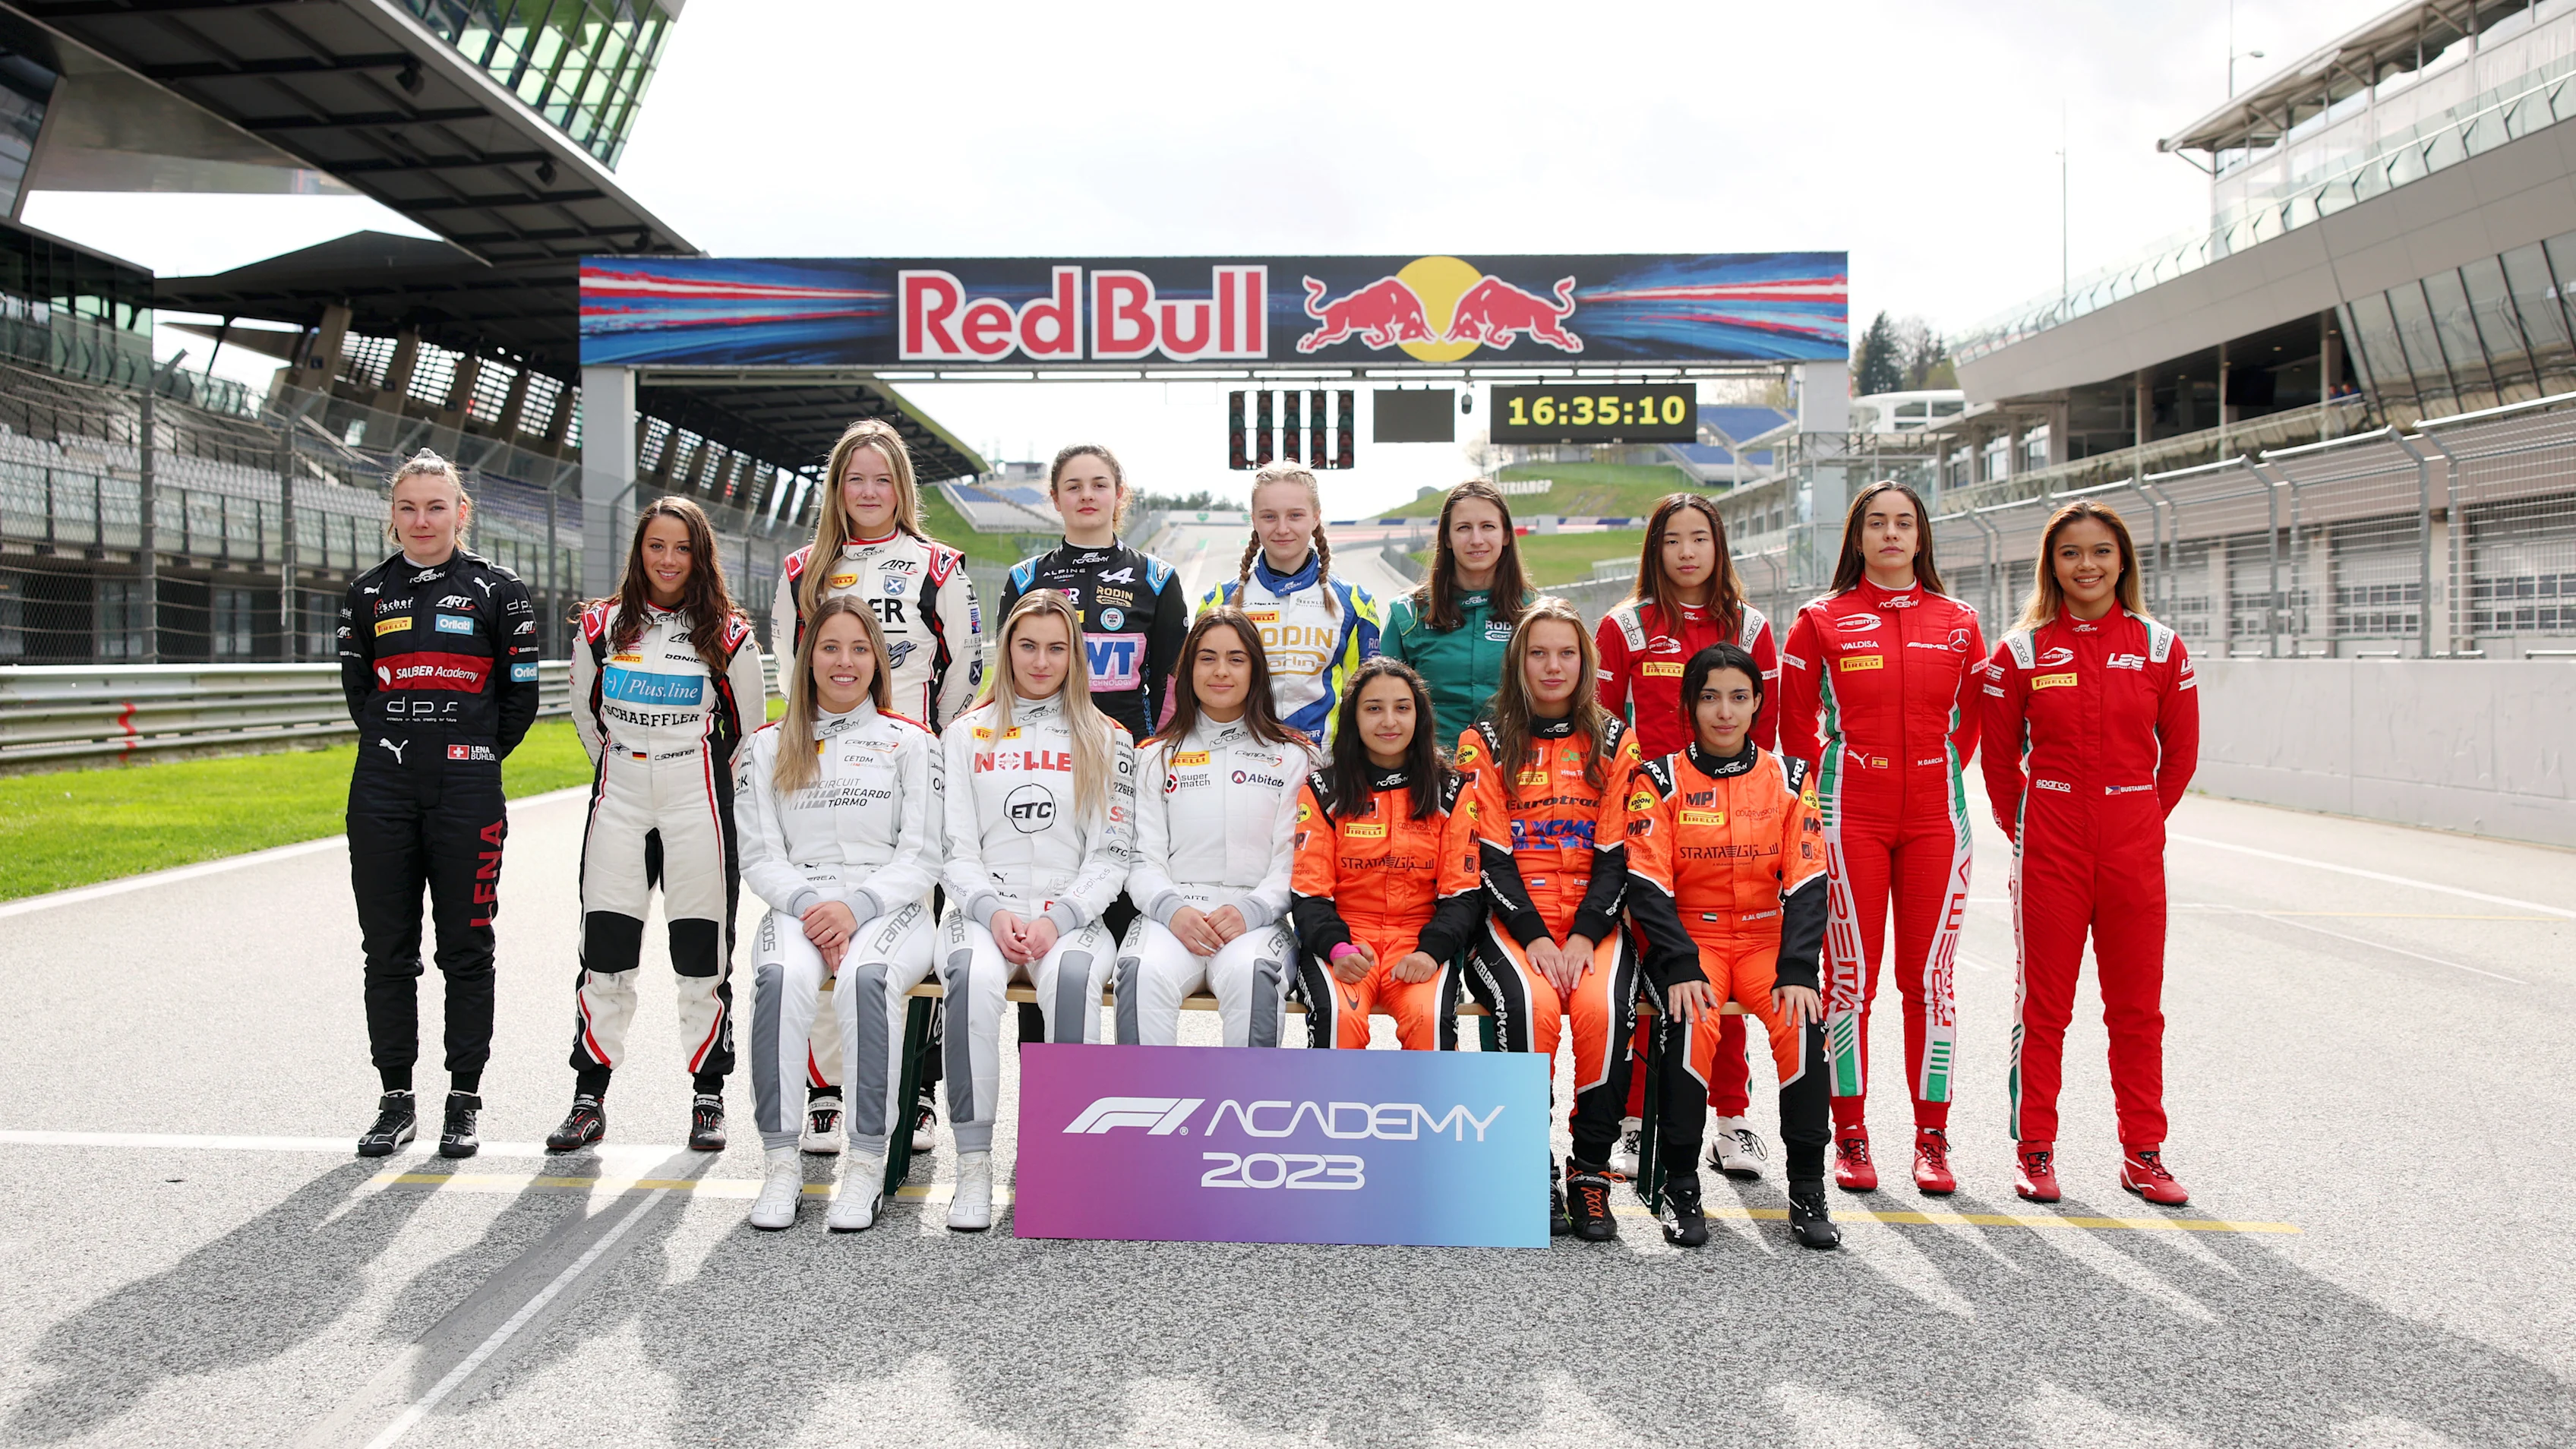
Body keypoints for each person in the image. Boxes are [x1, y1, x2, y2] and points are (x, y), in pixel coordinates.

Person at [1979, 500, 2199, 1208]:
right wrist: (2032, 827)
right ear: (2052, 565)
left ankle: (2143, 1153)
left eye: (2101, 551)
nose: (2087, 566)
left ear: (2123, 560)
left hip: (2133, 842)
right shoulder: (2018, 652)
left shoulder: (2161, 647)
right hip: (2052, 842)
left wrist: (2138, 816)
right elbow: (1997, 761)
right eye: (2071, 553)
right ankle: (2035, 1148)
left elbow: (2182, 755)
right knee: (2045, 1006)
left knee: (2137, 1009)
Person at [771, 419, 977, 1162]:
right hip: (825, 777)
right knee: (823, 925)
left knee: (909, 937)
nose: (867, 491)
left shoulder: (939, 564)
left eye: (881, 478)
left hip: (911, 774)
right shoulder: (801, 570)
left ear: (901, 488)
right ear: (837, 487)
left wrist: (929, 752)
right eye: (854, 478)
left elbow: (963, 674)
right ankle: (825, 1092)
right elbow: (792, 677)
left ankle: (914, 1092)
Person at [1776, 480, 1986, 1196]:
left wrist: (1931, 768)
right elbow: (1794, 727)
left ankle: (1931, 1137)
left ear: (1921, 536)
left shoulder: (1960, 621)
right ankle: (1852, 1133)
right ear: (1857, 538)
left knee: (1930, 982)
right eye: (1876, 523)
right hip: (1849, 814)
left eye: (1904, 523)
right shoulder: (1822, 619)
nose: (1891, 534)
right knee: (1849, 981)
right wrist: (1826, 794)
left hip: (1935, 815)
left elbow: (1971, 726)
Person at [338, 449, 541, 1160]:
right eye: (408, 507)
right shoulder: (366, 594)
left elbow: (519, 701)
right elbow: (361, 696)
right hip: (383, 788)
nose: (422, 520)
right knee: (386, 952)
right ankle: (396, 1099)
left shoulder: (501, 591)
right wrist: (406, 746)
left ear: (462, 512)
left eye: (436, 506)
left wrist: (467, 756)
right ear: (392, 518)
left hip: (467, 789)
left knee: (466, 948)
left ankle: (464, 1099)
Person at [551, 498, 766, 1156]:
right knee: (605, 952)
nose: (669, 560)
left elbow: (749, 733)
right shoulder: (600, 625)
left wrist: (690, 772)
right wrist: (626, 765)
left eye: (682, 549)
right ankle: (588, 1098)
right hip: (618, 791)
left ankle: (708, 1097)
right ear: (638, 552)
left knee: (702, 955)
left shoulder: (728, 633)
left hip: (695, 793)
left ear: (700, 557)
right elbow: (588, 719)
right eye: (656, 547)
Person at [735, 598, 943, 1233]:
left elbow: (923, 856)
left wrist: (853, 910)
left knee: (866, 979)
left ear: (877, 660)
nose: (844, 662)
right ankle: (779, 1164)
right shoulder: (767, 746)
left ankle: (864, 1164)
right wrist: (815, 910)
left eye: (858, 648)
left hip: (888, 906)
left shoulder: (912, 742)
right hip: (803, 906)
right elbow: (760, 857)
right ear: (807, 658)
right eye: (830, 647)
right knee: (779, 979)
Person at [1622, 642, 1838, 1250]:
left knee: (1802, 1022)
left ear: (1757, 704)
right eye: (1710, 697)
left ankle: (1808, 1188)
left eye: (1738, 697)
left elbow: (1809, 879)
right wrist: (1679, 962)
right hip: (1696, 940)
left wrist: (1799, 968)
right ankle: (1681, 1187)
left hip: (1768, 940)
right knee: (1690, 1021)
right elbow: (1646, 883)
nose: (1724, 711)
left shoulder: (1791, 778)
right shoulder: (1657, 779)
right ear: (1690, 705)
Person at [937, 590, 1136, 1231]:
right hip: (981, 909)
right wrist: (993, 912)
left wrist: (1060, 918)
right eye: (1028, 646)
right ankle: (972, 1167)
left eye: (1057, 647)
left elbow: (1113, 854)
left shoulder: (1110, 738)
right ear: (1007, 650)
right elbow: (953, 849)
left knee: (1074, 980)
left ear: (1076, 655)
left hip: (1070, 915)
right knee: (970, 980)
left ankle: (1066, 1162)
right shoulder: (964, 733)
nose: (1041, 660)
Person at [1595, 491, 1778, 1178]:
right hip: (1652, 827)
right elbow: (1606, 734)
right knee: (1654, 976)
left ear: (1719, 545)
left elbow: (1770, 735)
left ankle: (1732, 1121)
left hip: (1737, 830)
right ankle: (1638, 1120)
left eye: (1699, 538)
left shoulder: (1752, 627)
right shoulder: (1626, 626)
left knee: (1726, 976)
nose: (1687, 553)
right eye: (1673, 540)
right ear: (1655, 549)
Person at [1454, 598, 1644, 1240]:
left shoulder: (1616, 739)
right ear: (1519, 662)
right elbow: (1488, 852)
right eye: (1538, 652)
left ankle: (1590, 1175)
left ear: (1586, 661)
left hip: (1594, 923)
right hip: (1512, 924)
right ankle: (1526, 1168)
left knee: (1604, 1011)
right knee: (1527, 1009)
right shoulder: (1483, 741)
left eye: (1566, 652)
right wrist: (1536, 936)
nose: (1553, 665)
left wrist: (1586, 933)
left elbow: (1621, 850)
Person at [1117, 608, 1309, 1048]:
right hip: (1172, 917)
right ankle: (1146, 1113)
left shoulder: (1294, 757)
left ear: (1256, 670)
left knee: (1253, 976)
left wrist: (1250, 912)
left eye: (1236, 659)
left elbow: (1294, 861)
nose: (1221, 671)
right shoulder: (1153, 757)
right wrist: (1173, 911)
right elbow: (1141, 857)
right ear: (1188, 670)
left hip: (1256, 920)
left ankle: (1246, 1113)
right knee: (1139, 972)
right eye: (1207, 658)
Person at [1288, 658, 1481, 1051]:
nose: (1389, 721)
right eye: (1374, 708)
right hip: (1345, 941)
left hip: (1418, 942)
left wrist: (1432, 952)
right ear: (1354, 718)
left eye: (1402, 708)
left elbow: (1463, 893)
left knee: (1429, 1025)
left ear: (1420, 716)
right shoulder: (1325, 790)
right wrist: (1337, 949)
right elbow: (1309, 892)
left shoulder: (1451, 791)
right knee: (1339, 1023)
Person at [999, 443, 1190, 742]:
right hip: (1039, 746)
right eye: (1074, 487)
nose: (1087, 495)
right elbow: (1004, 679)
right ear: (1056, 499)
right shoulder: (1025, 579)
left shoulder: (1157, 578)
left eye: (1099, 485)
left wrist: (1157, 749)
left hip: (1129, 747)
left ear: (1118, 494)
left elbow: (1171, 685)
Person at [1198, 461, 1379, 743]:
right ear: (1254, 520)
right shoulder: (1219, 601)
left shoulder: (1354, 602)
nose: (1282, 528)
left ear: (1316, 517)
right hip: (1236, 762)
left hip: (1322, 765)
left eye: (1295, 515)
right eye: (1269, 517)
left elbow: (1370, 696)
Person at [1382, 479, 1531, 746]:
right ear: (1447, 538)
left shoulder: (1535, 613)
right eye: (1464, 528)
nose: (1476, 539)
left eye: (1488, 526)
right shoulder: (1408, 615)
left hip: (1515, 771)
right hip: (1434, 774)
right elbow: (1383, 706)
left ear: (1506, 535)